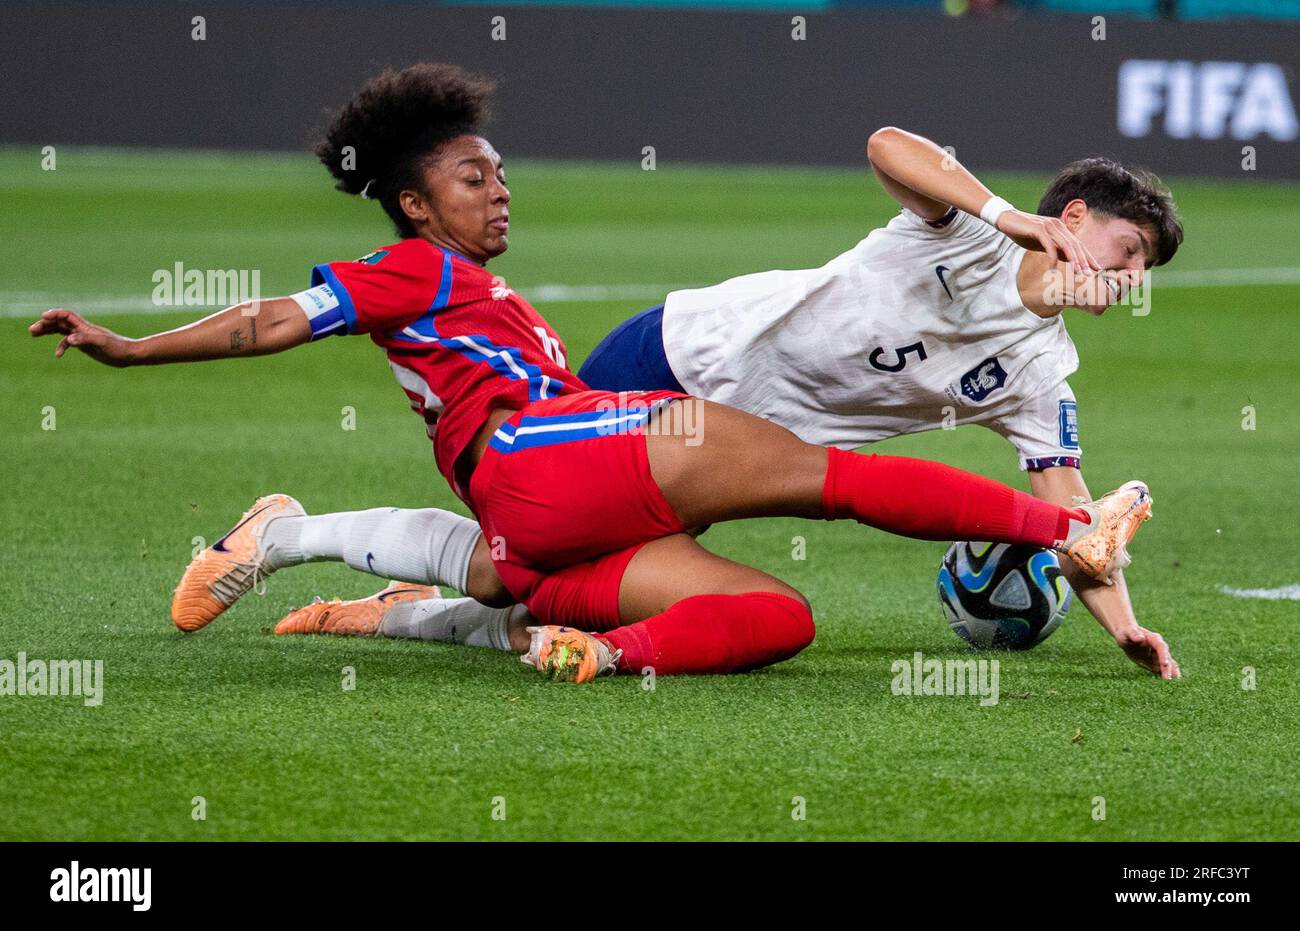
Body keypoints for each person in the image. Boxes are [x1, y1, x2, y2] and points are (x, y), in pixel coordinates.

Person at [30, 64, 1161, 684]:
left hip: (638, 451)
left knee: (704, 598)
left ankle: (444, 610)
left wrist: (1119, 626)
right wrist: (133, 347)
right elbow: (888, 144)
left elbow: (1063, 474)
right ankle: (358, 559)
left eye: (500, 170)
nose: (1125, 278)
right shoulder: (966, 229)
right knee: (822, 480)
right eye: (1122, 252)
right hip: (671, 367)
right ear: (1070, 222)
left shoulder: (1038, 364)